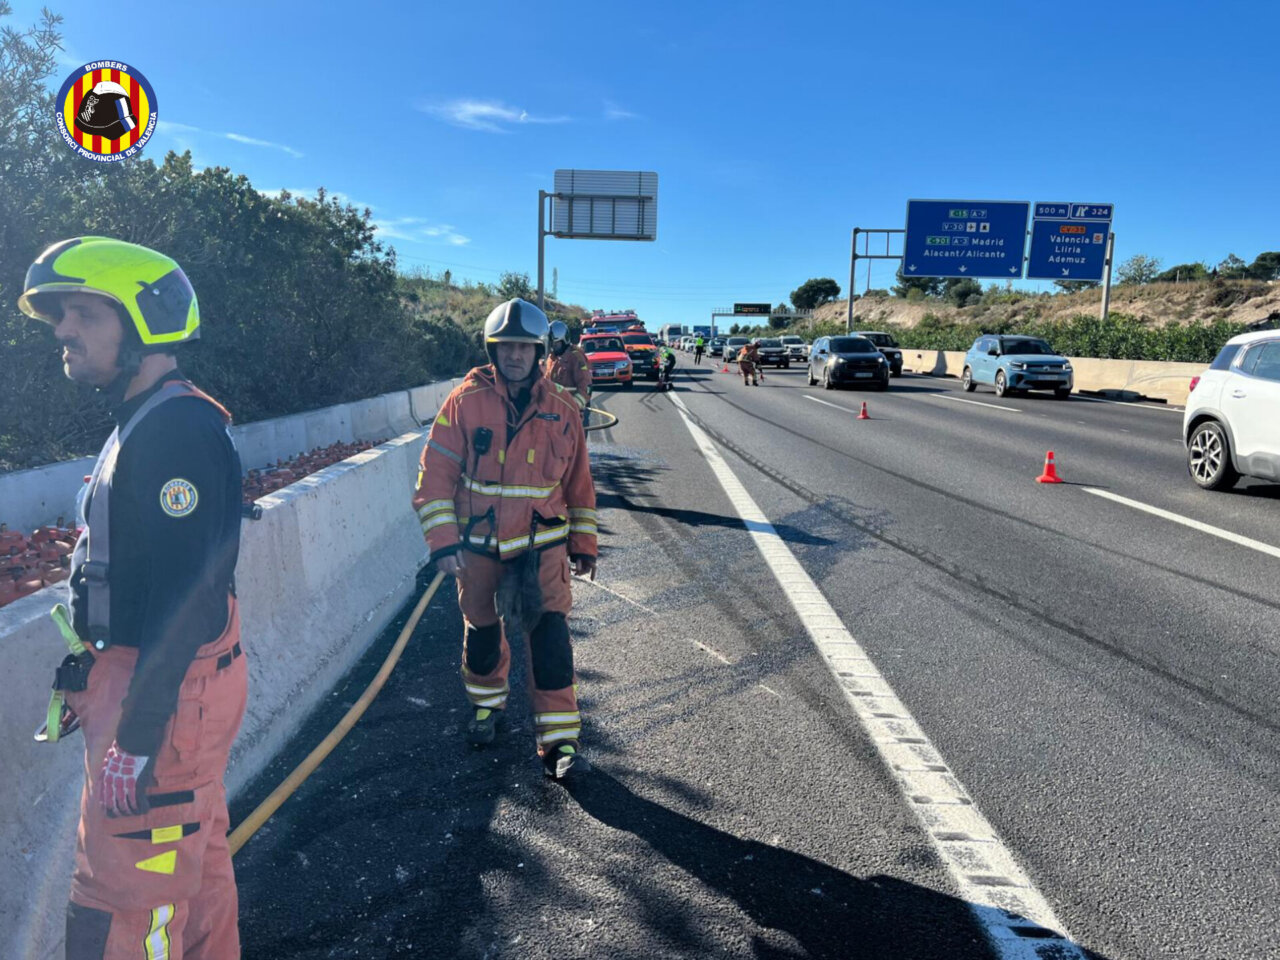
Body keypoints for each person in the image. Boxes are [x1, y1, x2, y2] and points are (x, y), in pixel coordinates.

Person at [19, 237, 246, 959]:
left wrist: (137, 738)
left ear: (143, 321)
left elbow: (191, 593)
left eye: (83, 313)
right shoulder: (148, 419)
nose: (63, 330)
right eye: (62, 315)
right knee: (197, 879)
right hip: (164, 689)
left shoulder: (176, 431)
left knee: (123, 905)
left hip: (162, 699)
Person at [412, 299, 598, 781]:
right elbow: (435, 476)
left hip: (543, 548)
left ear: (539, 352)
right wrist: (443, 541)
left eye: (524, 346)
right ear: (493, 351)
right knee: (483, 632)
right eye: (505, 346)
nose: (515, 355)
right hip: (479, 547)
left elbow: (579, 486)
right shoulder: (464, 403)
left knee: (551, 640)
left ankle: (559, 739)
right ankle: (485, 708)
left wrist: (584, 545)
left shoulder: (563, 410)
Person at [543, 320, 591, 417]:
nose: (553, 348)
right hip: (554, 411)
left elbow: (586, 386)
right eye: (551, 344)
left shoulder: (576, 357)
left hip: (573, 414)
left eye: (556, 344)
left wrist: (574, 405)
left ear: (564, 340)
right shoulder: (551, 359)